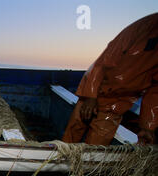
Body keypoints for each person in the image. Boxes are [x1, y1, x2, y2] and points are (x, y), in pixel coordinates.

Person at [62, 13, 158, 146]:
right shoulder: (142, 27)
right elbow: (103, 62)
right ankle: (63, 163)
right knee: (71, 135)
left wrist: (148, 126)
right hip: (96, 90)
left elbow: (155, 91)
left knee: (97, 150)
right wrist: (90, 96)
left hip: (118, 104)